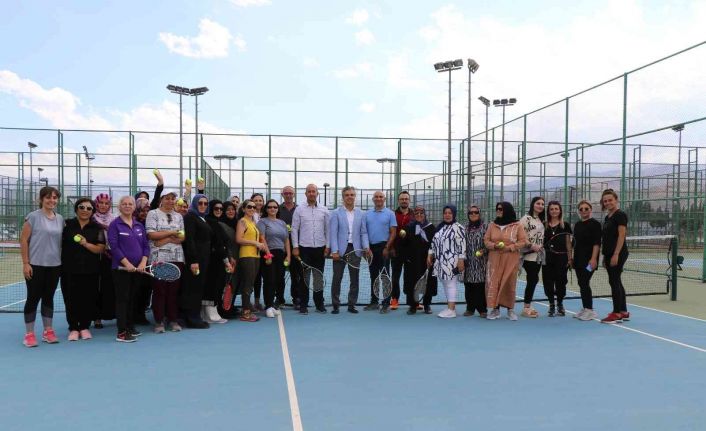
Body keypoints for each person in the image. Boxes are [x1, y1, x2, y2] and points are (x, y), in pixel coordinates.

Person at [20, 186, 64, 347]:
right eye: (48, 197)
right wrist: (26, 263)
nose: (52, 200)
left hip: (54, 266)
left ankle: (48, 331)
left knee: (48, 298)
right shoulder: (33, 217)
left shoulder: (60, 219)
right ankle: (29, 334)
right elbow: (23, 240)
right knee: (33, 298)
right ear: (41, 199)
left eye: (55, 198)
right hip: (35, 265)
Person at [180, 194, 228, 328]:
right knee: (192, 288)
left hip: (204, 259)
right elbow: (189, 240)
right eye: (200, 203)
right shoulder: (190, 217)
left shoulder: (203, 218)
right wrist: (193, 260)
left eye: (205, 203)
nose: (203, 206)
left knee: (198, 287)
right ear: (195, 204)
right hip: (195, 260)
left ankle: (194, 316)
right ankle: (192, 318)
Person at [61, 198, 105, 341]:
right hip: (69, 270)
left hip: (91, 270)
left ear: (92, 211)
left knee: (88, 299)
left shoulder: (97, 228)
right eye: (82, 207)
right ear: (76, 209)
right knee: (70, 299)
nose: (85, 210)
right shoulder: (66, 224)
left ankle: (85, 327)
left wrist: (86, 244)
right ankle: (73, 328)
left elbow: (100, 248)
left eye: (89, 208)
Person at [107, 196, 150, 343]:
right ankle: (122, 332)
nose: (127, 206)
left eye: (130, 204)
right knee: (123, 300)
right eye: (124, 204)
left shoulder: (139, 225)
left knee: (132, 298)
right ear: (119, 207)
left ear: (134, 207)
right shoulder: (114, 225)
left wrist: (143, 262)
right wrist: (127, 264)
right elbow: (114, 247)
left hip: (138, 270)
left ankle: (130, 326)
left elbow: (146, 246)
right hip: (121, 270)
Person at [145, 190, 185, 333]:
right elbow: (151, 234)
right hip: (158, 258)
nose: (170, 201)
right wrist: (171, 234)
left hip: (177, 258)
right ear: (161, 199)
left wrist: (164, 239)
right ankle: (159, 321)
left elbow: (182, 237)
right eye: (167, 198)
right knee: (159, 290)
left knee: (173, 291)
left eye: (172, 199)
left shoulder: (178, 216)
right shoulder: (153, 214)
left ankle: (173, 320)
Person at [329, 186, 369, 314]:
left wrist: (366, 247)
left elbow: (363, 232)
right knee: (337, 278)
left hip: (355, 250)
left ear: (355, 196)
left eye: (352, 194)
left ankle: (352, 304)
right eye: (347, 195)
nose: (349, 197)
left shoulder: (361, 213)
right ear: (343, 197)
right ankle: (335, 305)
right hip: (340, 251)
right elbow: (333, 233)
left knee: (354, 279)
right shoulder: (336, 213)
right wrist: (334, 251)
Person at [484, 202, 527, 321]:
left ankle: (510, 310)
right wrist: (494, 245)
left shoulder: (517, 225)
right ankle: (495, 309)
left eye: (501, 209)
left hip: (510, 259)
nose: (498, 211)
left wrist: (510, 247)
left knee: (509, 283)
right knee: (494, 282)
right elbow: (486, 240)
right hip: (494, 258)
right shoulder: (492, 225)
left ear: (507, 210)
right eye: (497, 209)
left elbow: (522, 241)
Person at [291, 184, 330, 314]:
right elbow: (294, 229)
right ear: (306, 194)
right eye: (309, 191)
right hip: (304, 249)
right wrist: (295, 247)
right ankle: (303, 305)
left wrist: (327, 246)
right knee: (304, 278)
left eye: (314, 191)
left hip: (320, 249)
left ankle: (319, 304)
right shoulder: (299, 210)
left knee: (318, 277)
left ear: (317, 193)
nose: (312, 193)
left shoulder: (324, 210)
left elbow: (328, 230)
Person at [427, 205, 466, 318]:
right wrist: (430, 254)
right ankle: (450, 306)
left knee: (450, 284)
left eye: (450, 213)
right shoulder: (440, 227)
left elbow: (462, 245)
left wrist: (461, 260)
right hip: (440, 262)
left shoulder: (458, 227)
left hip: (452, 262)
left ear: (454, 214)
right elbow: (433, 243)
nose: (447, 215)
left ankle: (451, 310)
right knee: (445, 283)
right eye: (445, 213)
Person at [400, 205, 437, 315]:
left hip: (427, 259)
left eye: (421, 213)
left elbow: (434, 243)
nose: (419, 215)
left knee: (428, 281)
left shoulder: (431, 227)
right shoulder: (408, 227)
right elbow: (404, 245)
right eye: (417, 214)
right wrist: (403, 238)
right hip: (412, 260)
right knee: (411, 282)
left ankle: (427, 304)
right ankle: (413, 306)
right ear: (414, 215)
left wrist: (431, 256)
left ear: (425, 215)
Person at [363, 191, 396, 313]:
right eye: (376, 197)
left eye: (381, 197)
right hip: (371, 249)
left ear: (384, 199)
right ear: (373, 199)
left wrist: (387, 247)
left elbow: (393, 232)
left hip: (384, 248)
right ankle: (374, 302)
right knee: (373, 276)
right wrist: (367, 248)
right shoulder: (367, 214)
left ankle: (386, 303)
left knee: (385, 276)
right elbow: (364, 232)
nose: (378, 199)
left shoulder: (390, 214)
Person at [600, 189, 630, 324]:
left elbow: (621, 236)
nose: (607, 203)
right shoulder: (608, 217)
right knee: (616, 281)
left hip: (618, 253)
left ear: (616, 200)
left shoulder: (620, 215)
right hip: (609, 253)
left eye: (610, 200)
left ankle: (616, 313)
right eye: (605, 201)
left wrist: (616, 254)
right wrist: (605, 256)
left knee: (614, 282)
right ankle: (623, 311)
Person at [258, 199, 291, 317]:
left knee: (278, 280)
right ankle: (268, 306)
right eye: (270, 207)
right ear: (266, 209)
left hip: (280, 254)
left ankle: (274, 305)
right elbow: (262, 238)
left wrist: (288, 255)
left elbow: (286, 240)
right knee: (269, 280)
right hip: (268, 254)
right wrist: (268, 254)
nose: (272, 209)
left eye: (275, 207)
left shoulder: (282, 223)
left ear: (278, 209)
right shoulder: (262, 222)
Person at [201, 200, 232, 324]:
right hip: (214, 260)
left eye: (221, 209)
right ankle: (211, 315)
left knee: (214, 285)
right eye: (216, 208)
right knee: (213, 286)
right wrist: (226, 261)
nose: (219, 211)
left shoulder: (216, 222)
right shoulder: (211, 222)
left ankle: (207, 314)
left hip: (215, 259)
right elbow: (218, 244)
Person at [236, 199, 266, 322]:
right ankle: (245, 312)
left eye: (253, 207)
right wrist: (255, 243)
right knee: (247, 284)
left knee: (250, 284)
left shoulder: (252, 222)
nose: (252, 209)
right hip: (246, 255)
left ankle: (247, 308)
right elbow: (239, 239)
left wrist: (261, 245)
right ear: (243, 209)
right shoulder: (242, 221)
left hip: (255, 256)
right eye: (249, 207)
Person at [542, 201, 573, 317]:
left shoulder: (565, 225)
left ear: (560, 211)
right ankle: (551, 304)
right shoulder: (543, 225)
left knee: (561, 282)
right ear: (548, 211)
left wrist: (570, 258)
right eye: (551, 209)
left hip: (562, 258)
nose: (554, 211)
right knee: (548, 282)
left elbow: (568, 243)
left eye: (556, 209)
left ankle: (560, 303)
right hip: (547, 258)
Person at [573, 200, 601, 321]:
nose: (583, 211)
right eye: (581, 209)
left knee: (584, 281)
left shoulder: (595, 224)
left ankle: (590, 310)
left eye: (586, 208)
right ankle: (585, 308)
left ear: (590, 210)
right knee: (581, 283)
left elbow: (597, 243)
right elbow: (575, 243)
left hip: (589, 261)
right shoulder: (577, 225)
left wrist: (593, 259)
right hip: (578, 260)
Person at [92, 193, 116, 329]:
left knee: (108, 287)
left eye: (106, 203)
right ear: (96, 203)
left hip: (109, 257)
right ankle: (96, 317)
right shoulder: (91, 218)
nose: (103, 205)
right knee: (95, 287)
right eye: (101, 202)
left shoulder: (114, 219)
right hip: (94, 257)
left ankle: (108, 314)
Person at [519, 196, 545, 318]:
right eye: (538, 203)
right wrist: (530, 245)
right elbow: (519, 235)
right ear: (533, 204)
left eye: (542, 204)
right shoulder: (526, 219)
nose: (540, 206)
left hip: (538, 256)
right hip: (527, 255)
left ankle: (528, 306)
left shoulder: (540, 219)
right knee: (532, 279)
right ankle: (526, 307)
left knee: (533, 280)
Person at [463, 205, 488, 318]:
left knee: (480, 287)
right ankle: (470, 309)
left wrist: (484, 250)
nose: (473, 214)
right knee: (468, 286)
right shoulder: (465, 227)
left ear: (479, 213)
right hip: (468, 263)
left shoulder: (485, 227)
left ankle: (482, 309)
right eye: (471, 213)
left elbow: (489, 242)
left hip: (481, 263)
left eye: (476, 212)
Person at [279, 186, 302, 307]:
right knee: (279, 275)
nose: (288, 195)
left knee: (296, 274)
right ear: (282, 194)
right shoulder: (277, 209)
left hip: (295, 247)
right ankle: (279, 299)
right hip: (279, 247)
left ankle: (296, 298)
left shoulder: (300, 209)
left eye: (290, 193)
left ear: (294, 194)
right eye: (286, 193)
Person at [390, 191, 412, 310]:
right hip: (396, 251)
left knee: (410, 277)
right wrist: (391, 247)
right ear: (398, 201)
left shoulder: (414, 214)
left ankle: (412, 300)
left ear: (409, 200)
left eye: (406, 199)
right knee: (395, 277)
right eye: (402, 199)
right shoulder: (392, 214)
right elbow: (390, 232)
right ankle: (394, 299)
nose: (404, 201)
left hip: (410, 252)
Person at [132, 197, 152, 325]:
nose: (145, 213)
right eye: (142, 211)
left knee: (146, 288)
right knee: (135, 289)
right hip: (134, 261)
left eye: (147, 210)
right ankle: (132, 315)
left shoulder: (150, 223)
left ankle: (141, 314)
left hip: (148, 260)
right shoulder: (132, 223)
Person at [217, 201, 239, 317]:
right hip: (227, 257)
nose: (231, 211)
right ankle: (222, 309)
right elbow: (223, 243)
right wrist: (229, 256)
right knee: (226, 283)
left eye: (233, 209)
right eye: (228, 210)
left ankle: (230, 306)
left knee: (234, 283)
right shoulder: (220, 224)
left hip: (237, 256)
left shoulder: (237, 223)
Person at [250, 192, 265, 310]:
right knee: (252, 276)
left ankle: (257, 301)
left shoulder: (266, 214)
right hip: (252, 249)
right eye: (256, 200)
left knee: (259, 277)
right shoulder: (249, 214)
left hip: (264, 249)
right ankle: (247, 302)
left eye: (260, 200)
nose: (258, 202)